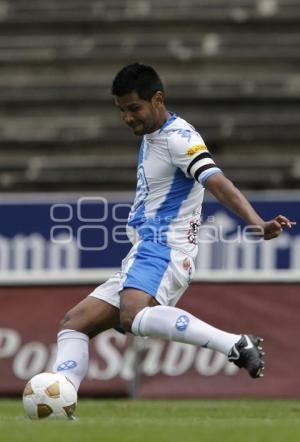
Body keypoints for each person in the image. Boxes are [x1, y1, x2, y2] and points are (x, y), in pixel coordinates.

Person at [52, 63, 295, 390]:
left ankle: (234, 343)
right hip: (145, 250)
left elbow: (217, 182)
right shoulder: (154, 135)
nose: (127, 117)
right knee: (74, 324)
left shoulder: (180, 139)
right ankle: (60, 396)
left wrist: (256, 223)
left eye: (134, 108)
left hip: (164, 248)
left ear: (158, 99)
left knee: (133, 316)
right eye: (122, 110)